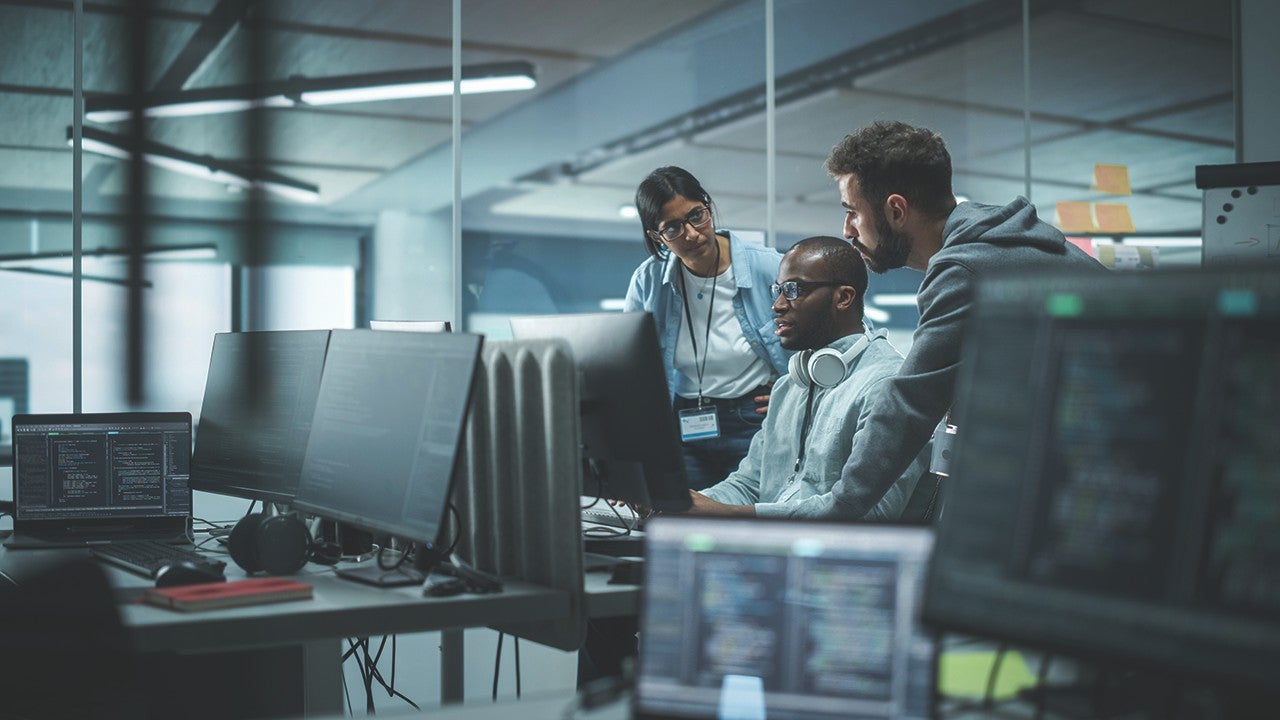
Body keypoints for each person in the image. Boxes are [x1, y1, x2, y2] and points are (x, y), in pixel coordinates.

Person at [771, 120, 1105, 519]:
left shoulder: (964, 268)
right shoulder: (1002, 245)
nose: (847, 230)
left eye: (852, 213)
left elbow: (909, 405)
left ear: (895, 210)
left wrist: (839, 509)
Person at [682, 235, 928, 518]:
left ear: (844, 297)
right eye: (778, 290)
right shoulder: (789, 386)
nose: (777, 305)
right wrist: (685, 504)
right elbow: (749, 484)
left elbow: (874, 512)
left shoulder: (887, 385)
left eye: (793, 289)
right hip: (774, 548)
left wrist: (734, 515)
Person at [624, 166, 790, 490]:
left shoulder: (769, 267)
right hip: (683, 423)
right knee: (691, 525)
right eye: (672, 228)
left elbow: (832, 336)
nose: (692, 234)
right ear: (656, 237)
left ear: (708, 206)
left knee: (747, 523)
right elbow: (628, 366)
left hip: (752, 418)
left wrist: (794, 392)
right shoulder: (647, 282)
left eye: (696, 215)